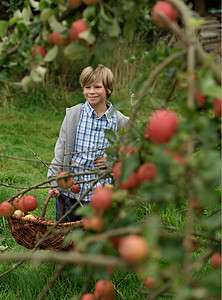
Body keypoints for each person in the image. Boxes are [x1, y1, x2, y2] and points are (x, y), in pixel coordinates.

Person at [47, 64, 129, 222]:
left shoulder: (118, 120)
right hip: (70, 191)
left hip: (99, 193)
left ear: (108, 89)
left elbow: (131, 149)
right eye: (87, 87)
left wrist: (114, 160)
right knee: (64, 237)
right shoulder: (74, 115)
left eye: (97, 87)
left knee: (93, 236)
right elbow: (61, 149)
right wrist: (53, 181)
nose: (91, 91)